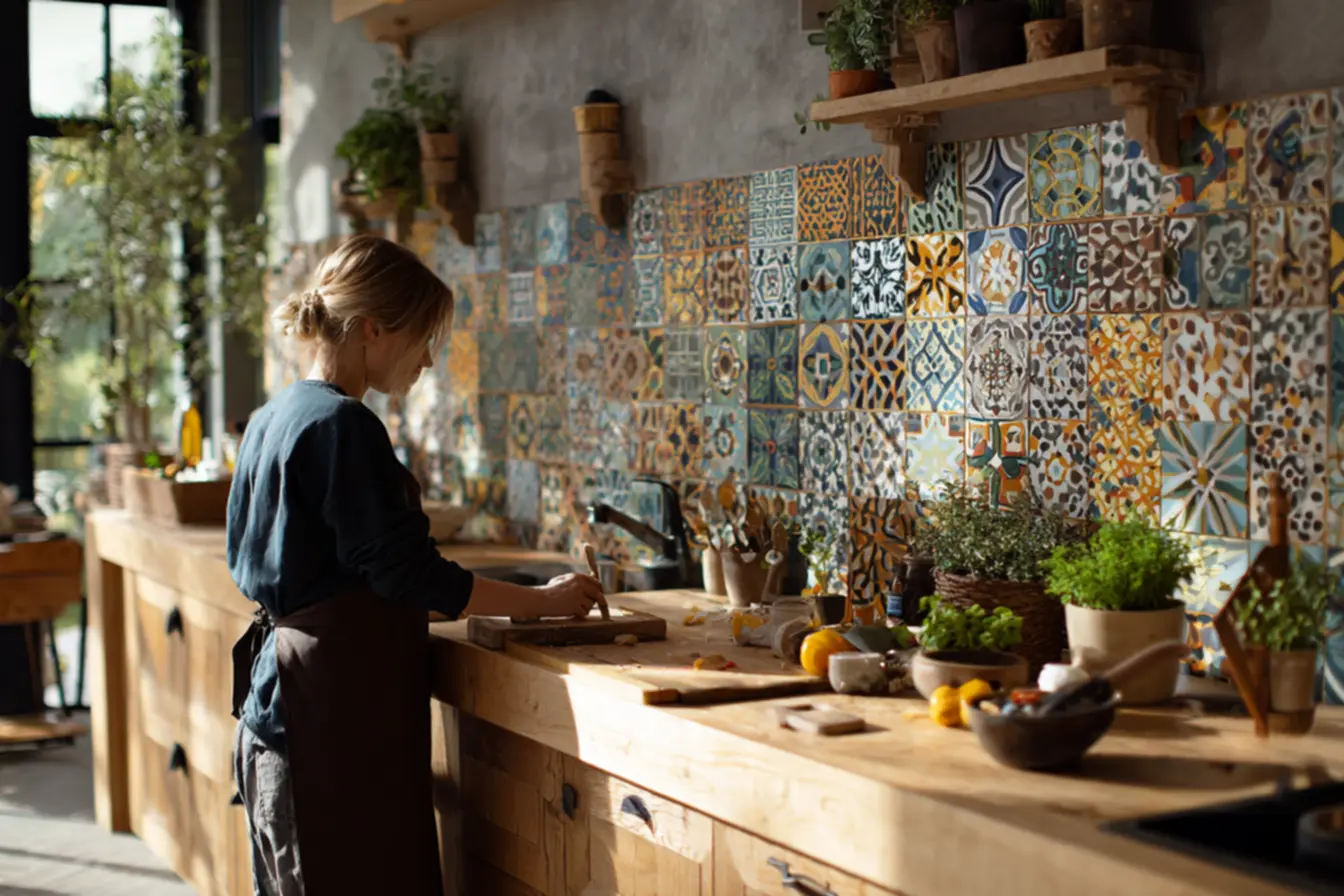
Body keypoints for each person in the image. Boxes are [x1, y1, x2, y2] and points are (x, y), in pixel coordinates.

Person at [226, 233, 602, 895]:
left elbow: (349, 577)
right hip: (328, 731)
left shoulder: (271, 417)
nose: (428, 359)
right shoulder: (343, 426)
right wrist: (544, 600)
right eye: (423, 337)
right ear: (373, 329)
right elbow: (409, 577)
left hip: (280, 718)